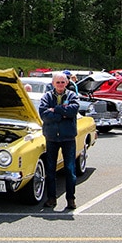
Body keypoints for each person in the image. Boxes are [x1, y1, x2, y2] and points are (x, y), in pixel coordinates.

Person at [38, 72, 80, 210]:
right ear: (53, 83)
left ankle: (71, 199)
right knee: (50, 170)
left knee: (70, 170)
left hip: (68, 138)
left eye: (63, 82)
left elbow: (73, 110)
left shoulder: (72, 95)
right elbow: (44, 114)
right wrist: (62, 114)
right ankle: (51, 198)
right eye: (58, 82)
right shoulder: (47, 96)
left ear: (67, 83)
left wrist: (55, 109)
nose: (60, 85)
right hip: (51, 138)